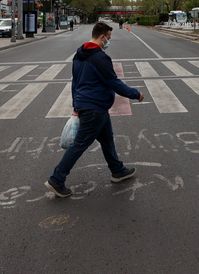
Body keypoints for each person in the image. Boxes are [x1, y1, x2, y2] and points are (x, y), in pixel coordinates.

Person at [45, 22, 144, 198]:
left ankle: (117, 170)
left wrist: (76, 105)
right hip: (94, 107)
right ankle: (57, 179)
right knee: (80, 144)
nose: (108, 42)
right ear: (102, 37)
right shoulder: (100, 58)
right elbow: (114, 83)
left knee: (107, 140)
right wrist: (135, 94)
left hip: (90, 105)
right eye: (108, 38)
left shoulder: (78, 54)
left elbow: (75, 82)